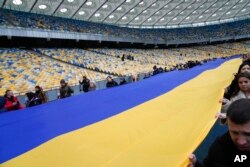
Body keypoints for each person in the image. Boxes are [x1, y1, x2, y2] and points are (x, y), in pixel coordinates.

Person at [188, 99, 250, 167]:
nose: (241, 142)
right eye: (234, 133)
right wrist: (196, 165)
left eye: (248, 134)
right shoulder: (221, 146)